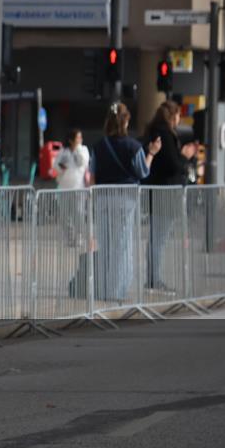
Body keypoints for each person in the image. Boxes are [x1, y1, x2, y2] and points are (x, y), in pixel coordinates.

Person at [88, 102, 161, 303]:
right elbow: (143, 171)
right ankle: (116, 291)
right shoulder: (133, 146)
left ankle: (102, 290)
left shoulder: (98, 146)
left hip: (102, 198)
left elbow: (92, 176)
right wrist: (151, 153)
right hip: (125, 199)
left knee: (105, 245)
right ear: (126, 121)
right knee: (122, 246)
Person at [143, 101, 198, 291]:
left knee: (156, 239)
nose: (179, 120)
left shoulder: (154, 132)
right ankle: (153, 279)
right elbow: (173, 165)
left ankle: (152, 277)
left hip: (158, 192)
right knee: (159, 239)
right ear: (172, 116)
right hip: (165, 194)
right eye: (178, 116)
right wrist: (184, 156)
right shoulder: (165, 135)